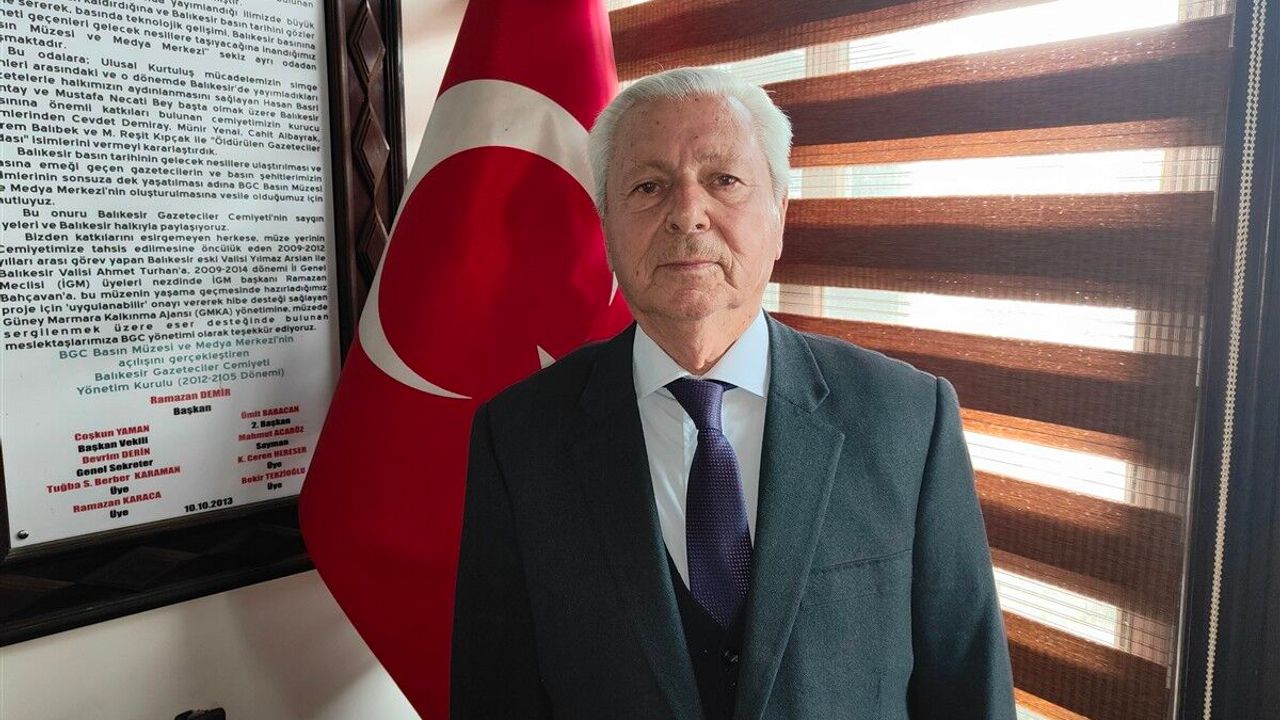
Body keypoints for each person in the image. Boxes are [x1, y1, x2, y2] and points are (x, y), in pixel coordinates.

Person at [450, 67, 1016, 720]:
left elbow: (967, 684)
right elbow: (495, 696)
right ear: (606, 225)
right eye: (648, 186)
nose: (687, 214)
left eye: (723, 180)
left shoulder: (908, 419)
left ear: (779, 216)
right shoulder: (518, 438)